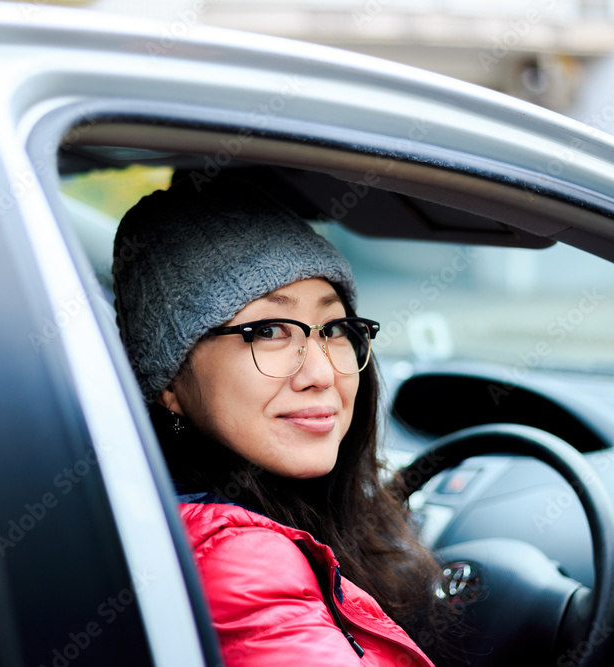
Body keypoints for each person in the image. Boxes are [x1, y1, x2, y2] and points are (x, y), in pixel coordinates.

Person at [112, 173, 455, 666]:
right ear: (169, 384)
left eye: (334, 328)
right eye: (269, 330)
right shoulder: (238, 560)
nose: (321, 372)